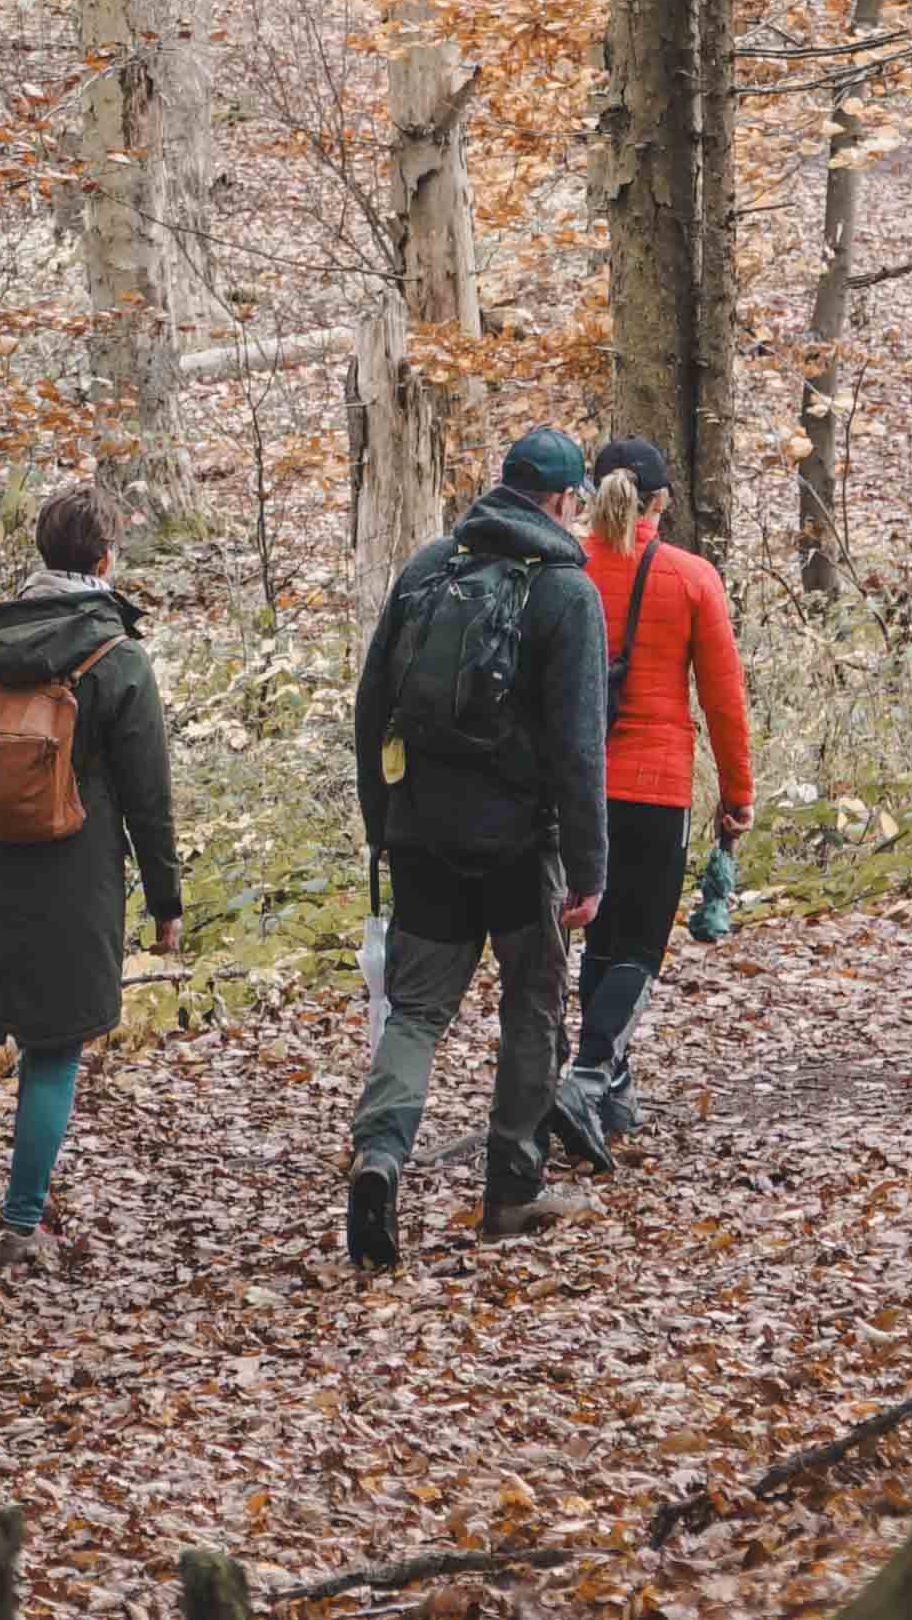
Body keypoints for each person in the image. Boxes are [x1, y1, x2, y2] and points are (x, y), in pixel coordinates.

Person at [343, 425, 611, 1269]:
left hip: (422, 832)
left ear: (502, 486)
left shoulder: (428, 569)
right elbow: (580, 746)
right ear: (568, 502)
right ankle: (510, 1191)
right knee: (530, 1007)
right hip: (520, 848)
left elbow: (369, 708)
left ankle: (380, 1156)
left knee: (417, 1010)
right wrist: (592, 865)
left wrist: (381, 824)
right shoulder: (567, 593)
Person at [0, 480, 185, 1272]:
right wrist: (167, 900)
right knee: (55, 1049)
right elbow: (149, 793)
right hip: (79, 876)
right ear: (105, 558)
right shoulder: (119, 655)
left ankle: (17, 1205)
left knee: (16, 1027)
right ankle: (21, 1216)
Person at [555, 436, 753, 1167]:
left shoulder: (566, 567)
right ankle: (586, 1077)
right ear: (661, 502)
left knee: (598, 940)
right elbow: (724, 701)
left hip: (577, 787)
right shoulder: (691, 578)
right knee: (638, 946)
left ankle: (611, 1087)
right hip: (655, 788)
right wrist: (737, 796)